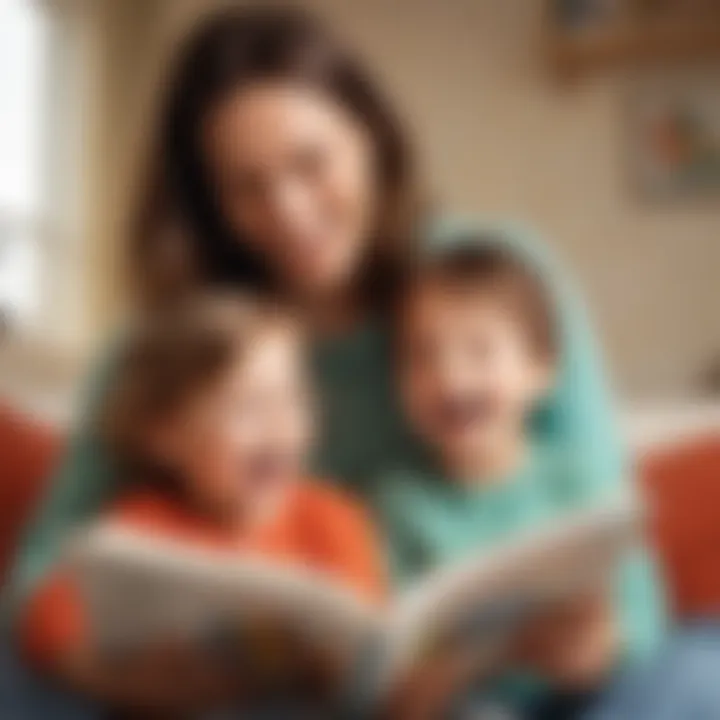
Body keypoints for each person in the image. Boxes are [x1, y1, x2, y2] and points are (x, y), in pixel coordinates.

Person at [1, 6, 628, 718]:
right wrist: (113, 675)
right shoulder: (167, 347)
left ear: (372, 139)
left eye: (312, 162)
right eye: (245, 186)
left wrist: (593, 644)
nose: (290, 212)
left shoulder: (492, 279)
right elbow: (40, 581)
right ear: (206, 201)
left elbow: (619, 553)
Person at [20, 294, 384, 716]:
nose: (277, 421)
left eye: (293, 398)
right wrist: (107, 674)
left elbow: (364, 635)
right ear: (167, 438)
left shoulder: (333, 518)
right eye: (245, 406)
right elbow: (48, 614)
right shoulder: (143, 523)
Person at [378, 239, 664, 719]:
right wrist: (472, 663)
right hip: (481, 707)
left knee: (701, 659)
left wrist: (602, 650)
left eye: (479, 350)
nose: (449, 376)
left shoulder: (580, 480)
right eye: (422, 356)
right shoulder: (400, 505)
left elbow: (646, 622)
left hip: (596, 698)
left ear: (542, 369)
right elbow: (401, 681)